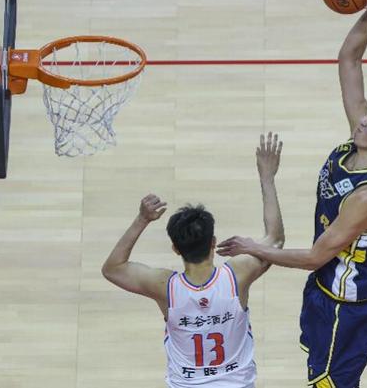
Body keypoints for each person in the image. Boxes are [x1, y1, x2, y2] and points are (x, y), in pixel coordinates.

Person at [217, 0, 367, 388]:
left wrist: (252, 247)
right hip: (325, 288)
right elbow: (349, 61)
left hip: (346, 304)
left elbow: (315, 256)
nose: (363, 120)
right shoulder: (359, 140)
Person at [102, 133, 285, 388]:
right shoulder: (236, 275)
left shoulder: (165, 286)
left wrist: (142, 219)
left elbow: (113, 269)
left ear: (175, 249)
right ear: (213, 242)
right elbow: (275, 241)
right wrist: (267, 177)